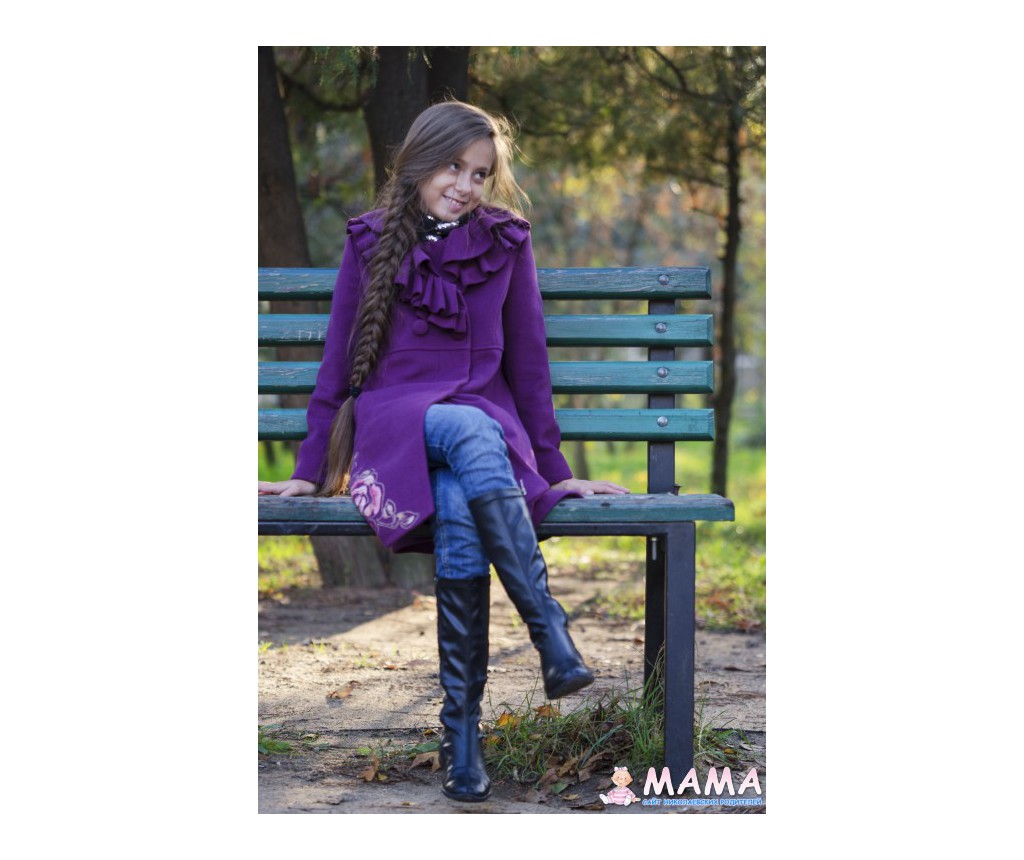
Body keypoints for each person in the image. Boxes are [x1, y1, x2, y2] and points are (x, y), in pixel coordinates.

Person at [259, 101, 629, 803]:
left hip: (480, 432)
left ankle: (462, 737)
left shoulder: (505, 241)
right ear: (419, 164)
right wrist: (309, 472)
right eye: (452, 168)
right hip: (394, 424)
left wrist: (555, 472)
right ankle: (549, 629)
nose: (464, 184)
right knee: (470, 428)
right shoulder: (370, 240)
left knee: (462, 502)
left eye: (480, 174)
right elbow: (338, 365)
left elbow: (528, 365)